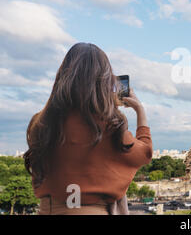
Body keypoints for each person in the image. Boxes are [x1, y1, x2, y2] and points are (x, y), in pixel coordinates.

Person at [24, 43, 153, 215]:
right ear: (104, 81)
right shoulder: (109, 125)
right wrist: (140, 112)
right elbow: (144, 154)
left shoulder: (39, 123)